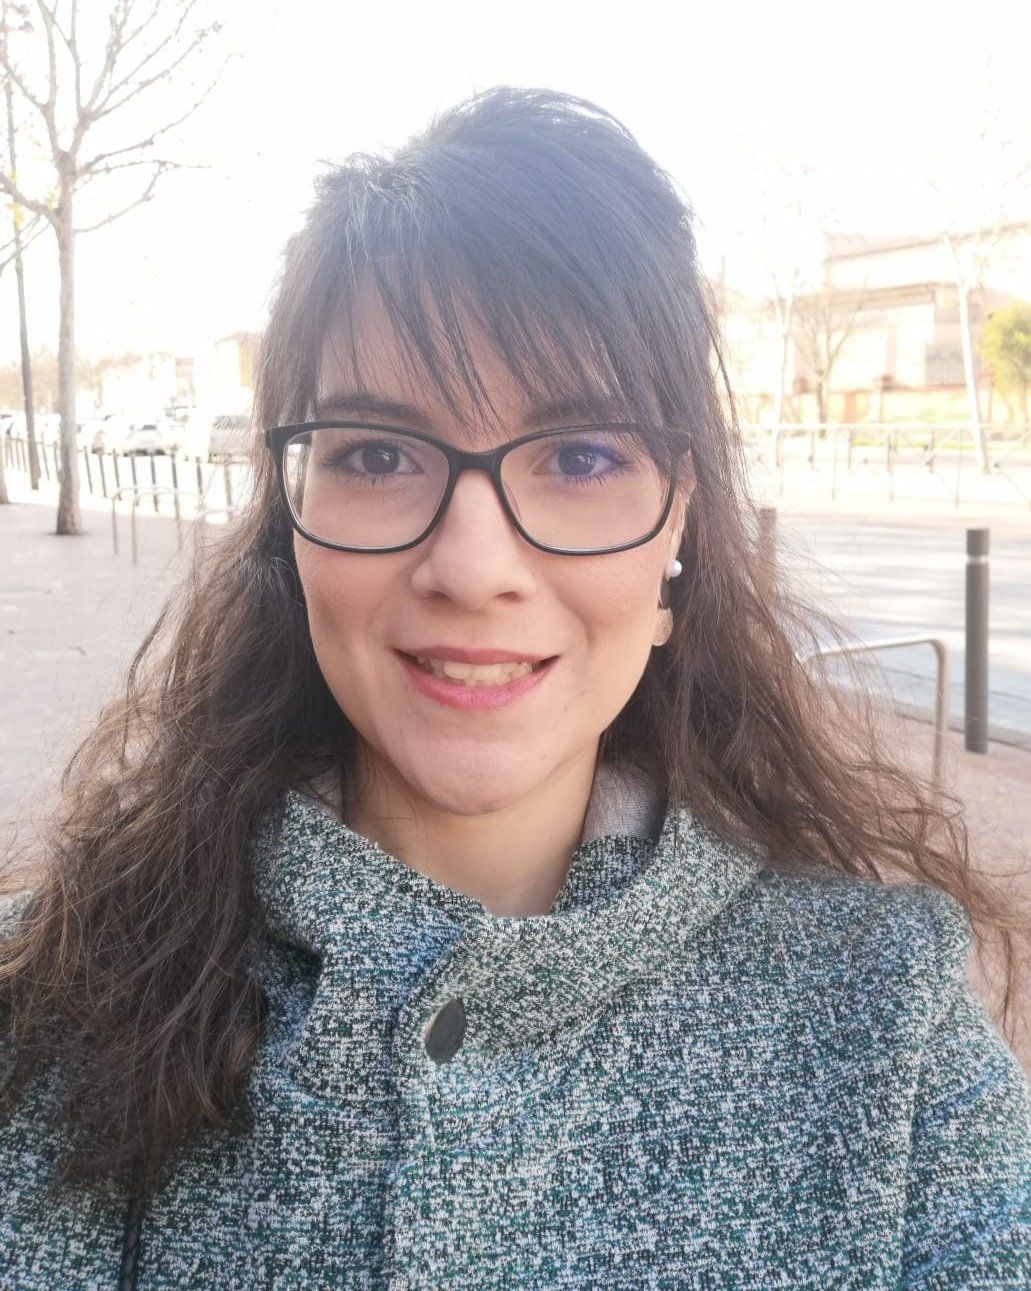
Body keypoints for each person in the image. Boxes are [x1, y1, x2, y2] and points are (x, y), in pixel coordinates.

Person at [1, 85, 1029, 1290]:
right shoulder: (57, 1003)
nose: (473, 566)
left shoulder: (884, 1024)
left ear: (678, 533)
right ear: (291, 524)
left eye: (581, 456)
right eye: (377, 454)